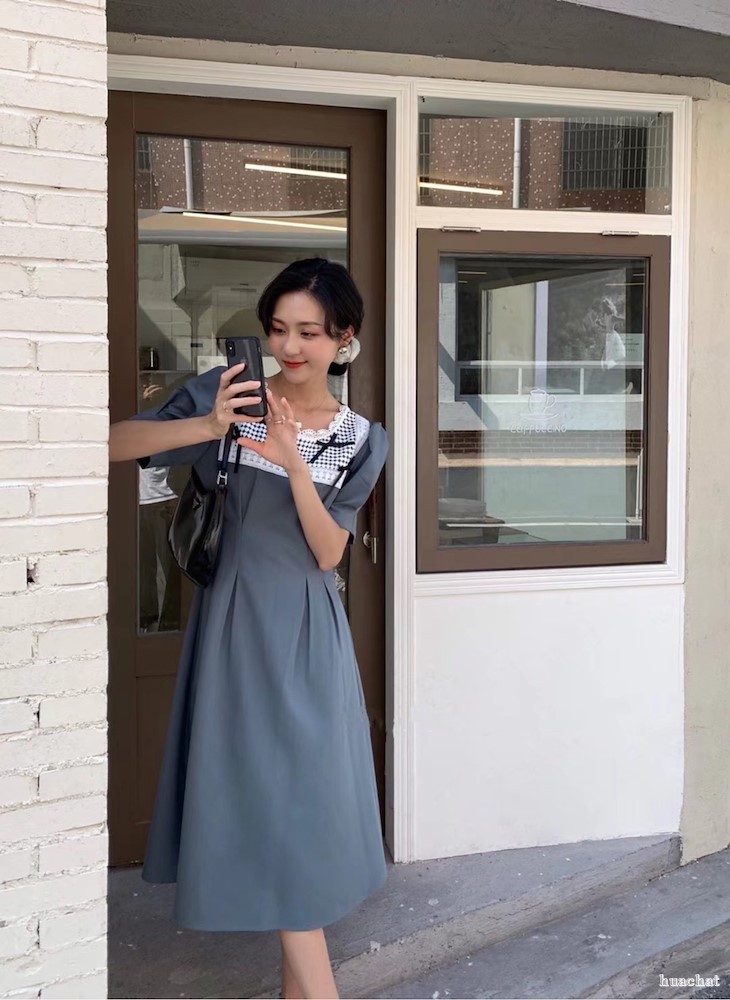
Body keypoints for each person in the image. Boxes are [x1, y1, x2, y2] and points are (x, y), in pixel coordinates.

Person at [109, 258, 388, 1000]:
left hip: (308, 636)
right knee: (271, 813)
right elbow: (113, 444)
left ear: (344, 339)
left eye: (309, 333)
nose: (290, 347)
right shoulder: (229, 393)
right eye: (278, 329)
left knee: (298, 816)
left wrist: (294, 464)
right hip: (233, 629)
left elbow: (328, 552)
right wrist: (209, 426)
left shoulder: (363, 438)